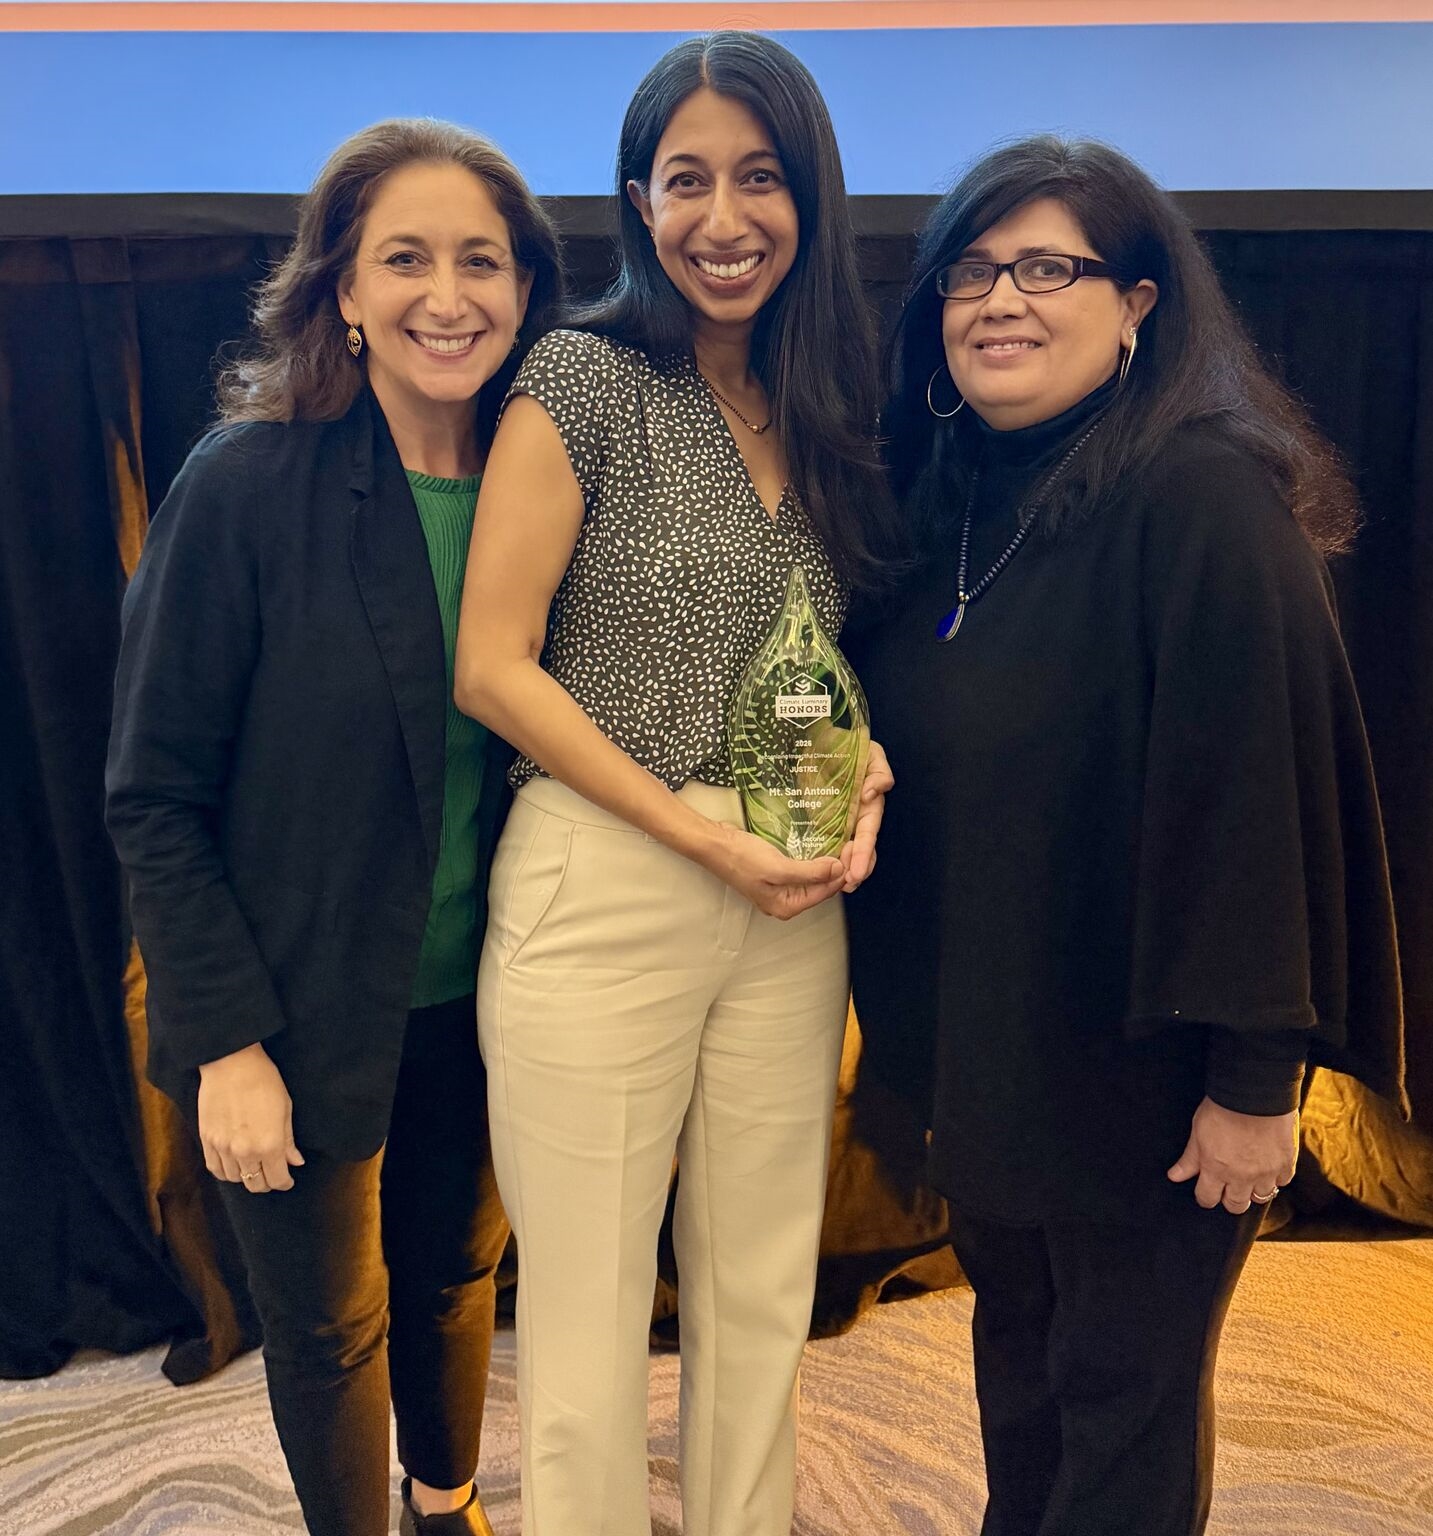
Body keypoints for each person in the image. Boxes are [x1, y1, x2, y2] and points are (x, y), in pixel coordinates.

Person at [847, 135, 1406, 1536]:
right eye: (970, 271)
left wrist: (1254, 1081)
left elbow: (1260, 804)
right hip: (993, 1068)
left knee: (1121, 1417)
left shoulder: (1203, 497)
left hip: (1149, 1089)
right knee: (1023, 1384)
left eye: (1047, 267)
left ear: (1138, 303)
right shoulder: (945, 503)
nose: (999, 301)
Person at [453, 32, 898, 1536]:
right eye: (685, 179)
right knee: (581, 1329)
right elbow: (493, 666)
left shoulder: (830, 402)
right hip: (607, 881)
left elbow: (823, 655)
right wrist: (691, 836)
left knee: (760, 1299)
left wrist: (865, 759)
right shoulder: (580, 377)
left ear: (808, 196)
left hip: (791, 891)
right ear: (637, 202)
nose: (724, 218)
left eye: (759, 178)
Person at [105, 119, 563, 1536]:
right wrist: (226, 1045)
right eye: (404, 259)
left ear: (528, 292)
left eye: (480, 261)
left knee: (452, 1281)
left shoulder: (547, 494)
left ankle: (447, 1506)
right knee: (330, 1328)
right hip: (292, 1014)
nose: (447, 295)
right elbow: (153, 796)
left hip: (491, 1000)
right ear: (342, 295)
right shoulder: (243, 489)